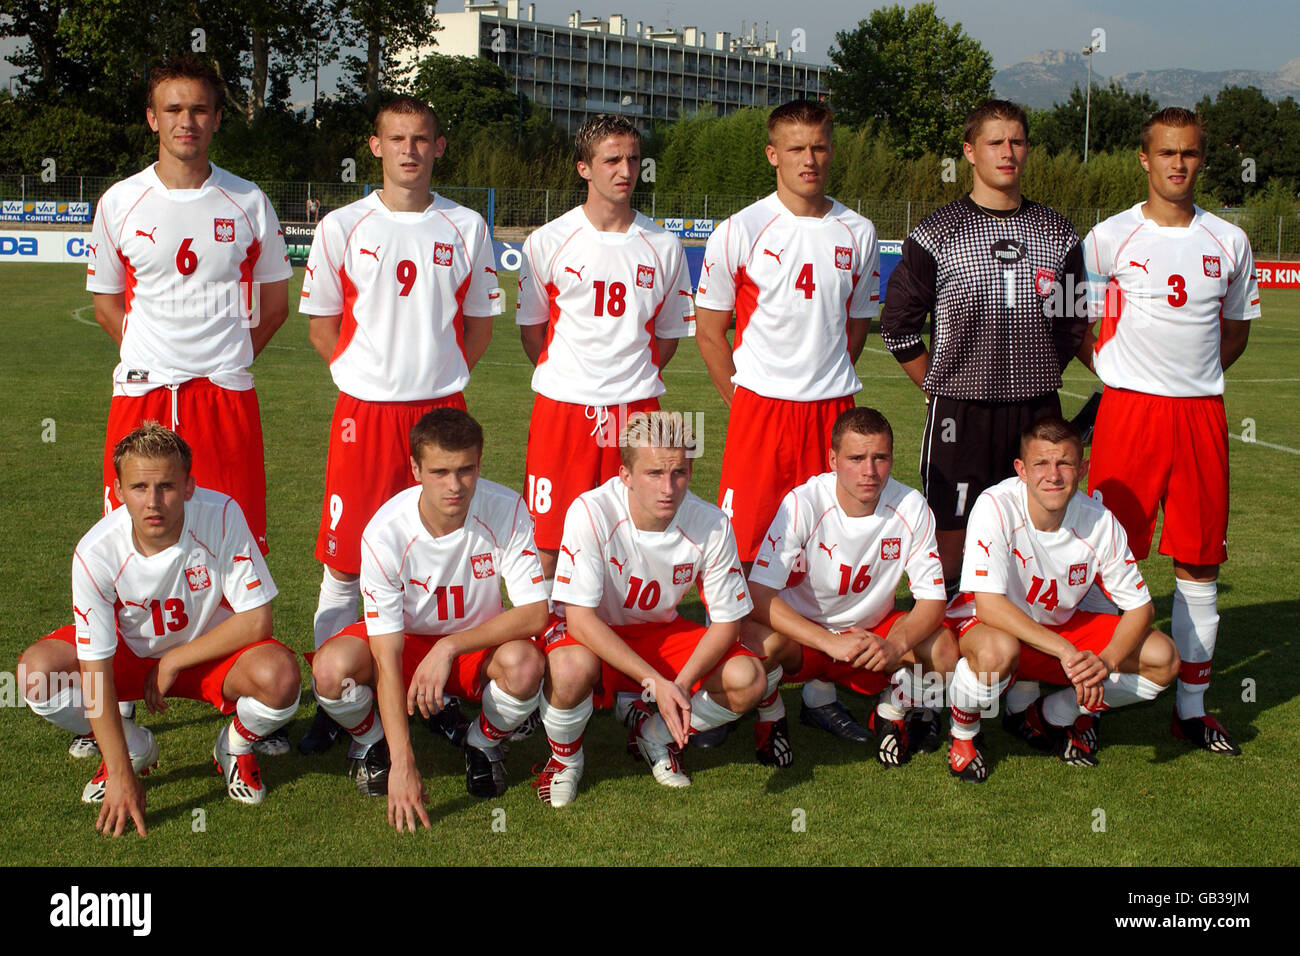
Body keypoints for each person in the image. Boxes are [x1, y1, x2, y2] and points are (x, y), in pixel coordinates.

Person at [298, 96, 500, 755]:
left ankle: (436, 685)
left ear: (439, 148)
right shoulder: (342, 226)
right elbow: (322, 324)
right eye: (396, 138)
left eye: (422, 139)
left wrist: (432, 382)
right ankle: (337, 699)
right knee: (346, 557)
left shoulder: (465, 226)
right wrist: (366, 377)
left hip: (440, 414)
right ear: (375, 146)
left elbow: (478, 327)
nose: (410, 149)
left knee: (443, 553)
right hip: (364, 414)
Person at [1078, 107, 1259, 755]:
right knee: (1106, 563)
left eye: (1189, 154)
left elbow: (1234, 333)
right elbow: (1073, 318)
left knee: (1199, 563)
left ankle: (1191, 708)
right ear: (1144, 160)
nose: (1178, 164)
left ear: (1201, 160)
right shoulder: (1107, 238)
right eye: (1167, 153)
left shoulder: (1230, 241)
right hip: (1129, 415)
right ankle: (1089, 698)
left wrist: (1194, 377)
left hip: (1200, 416)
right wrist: (1116, 371)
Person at [18, 423, 300, 836]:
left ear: (189, 486)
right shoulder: (96, 551)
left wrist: (174, 660)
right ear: (117, 491)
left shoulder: (221, 514)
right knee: (35, 673)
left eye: (166, 486)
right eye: (139, 487)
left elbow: (258, 620)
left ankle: (235, 747)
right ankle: (132, 747)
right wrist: (120, 774)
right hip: (128, 656)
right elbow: (95, 670)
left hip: (208, 652)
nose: (153, 502)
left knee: (282, 676)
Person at [880, 99, 1089, 595]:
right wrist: (938, 388)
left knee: (1033, 538)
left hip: (1036, 412)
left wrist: (1032, 374)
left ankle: (1018, 654)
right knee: (950, 546)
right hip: (961, 413)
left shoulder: (1057, 233)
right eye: (995, 142)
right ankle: (942, 661)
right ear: (971, 152)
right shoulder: (936, 231)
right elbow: (897, 326)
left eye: (1016, 141)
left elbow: (1071, 324)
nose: (1007, 152)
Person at [86, 56, 291, 557]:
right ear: (153, 117)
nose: (186, 121)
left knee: (232, 541)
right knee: (132, 544)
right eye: (173, 109)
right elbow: (106, 304)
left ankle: (233, 635)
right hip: (143, 395)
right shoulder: (120, 201)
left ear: (218, 118)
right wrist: (150, 355)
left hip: (223, 398)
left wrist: (228, 357)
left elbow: (275, 303)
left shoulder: (247, 200)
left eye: (199, 109)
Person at [306, 409, 547, 830]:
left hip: (472, 643)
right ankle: (372, 744)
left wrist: (450, 645)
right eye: (439, 471)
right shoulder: (385, 531)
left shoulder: (506, 508)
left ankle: (481, 742)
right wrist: (404, 762)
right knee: (330, 672)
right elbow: (385, 652)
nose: (454, 486)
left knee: (526, 666)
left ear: (479, 462)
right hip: (405, 642)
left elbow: (534, 612)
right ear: (415, 468)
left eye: (465, 470)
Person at [532, 411, 766, 806]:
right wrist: (654, 681)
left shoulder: (711, 522)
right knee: (571, 670)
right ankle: (564, 759)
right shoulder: (591, 511)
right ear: (625, 475)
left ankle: (653, 735)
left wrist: (679, 685)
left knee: (749, 679)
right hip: (591, 634)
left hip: (658, 632)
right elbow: (581, 620)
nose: (669, 488)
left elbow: (728, 621)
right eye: (654, 473)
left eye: (679, 473)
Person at [694, 99, 880, 570]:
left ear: (832, 151)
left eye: (818, 147)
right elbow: (710, 331)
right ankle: (742, 642)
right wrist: (743, 403)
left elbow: (856, 325)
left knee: (828, 541)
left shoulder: (858, 232)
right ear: (772, 154)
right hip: (761, 410)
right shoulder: (741, 229)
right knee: (746, 544)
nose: (809, 160)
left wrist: (824, 377)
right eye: (796, 148)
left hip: (832, 409)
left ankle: (817, 639)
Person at [516, 115, 695, 589]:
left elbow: (668, 336)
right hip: (563, 410)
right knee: (549, 541)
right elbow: (533, 333)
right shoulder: (547, 242)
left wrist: (625, 379)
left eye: (633, 159)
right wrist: (574, 380)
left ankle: (620, 637)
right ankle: (544, 643)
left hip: (636, 410)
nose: (625, 170)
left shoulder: (663, 245)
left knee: (636, 534)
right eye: (612, 159)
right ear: (583, 168)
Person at [948, 417, 1178, 780]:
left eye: (1065, 463)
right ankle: (963, 732)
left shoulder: (1099, 521)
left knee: (1163, 659)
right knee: (996, 654)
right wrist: (1064, 650)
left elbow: (1140, 608)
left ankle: (1053, 713)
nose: (1053, 475)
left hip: (1059, 633)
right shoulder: (995, 505)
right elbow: (989, 604)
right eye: (1041, 463)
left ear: (1082, 469)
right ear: (1021, 469)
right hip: (991, 626)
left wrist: (1106, 661)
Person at [747, 407, 955, 768]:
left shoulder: (910, 505)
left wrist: (896, 644)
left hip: (871, 635)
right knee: (749, 640)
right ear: (833, 459)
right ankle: (772, 717)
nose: (869, 471)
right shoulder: (804, 502)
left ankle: (891, 710)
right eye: (856, 458)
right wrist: (829, 642)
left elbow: (933, 602)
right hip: (807, 637)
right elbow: (758, 597)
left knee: (945, 650)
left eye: (880, 458)